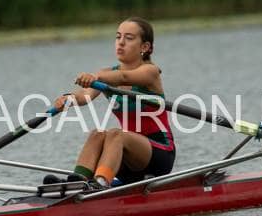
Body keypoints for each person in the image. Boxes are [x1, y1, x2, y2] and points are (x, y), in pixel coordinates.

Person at [48, 17, 176, 188]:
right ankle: (78, 182)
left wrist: (96, 77)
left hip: (159, 156)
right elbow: (85, 96)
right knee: (97, 134)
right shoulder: (106, 74)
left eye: (129, 38)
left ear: (144, 47)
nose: (121, 42)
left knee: (116, 134)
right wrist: (68, 99)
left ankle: (100, 182)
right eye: (118, 37)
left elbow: (124, 77)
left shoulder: (150, 72)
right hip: (126, 159)